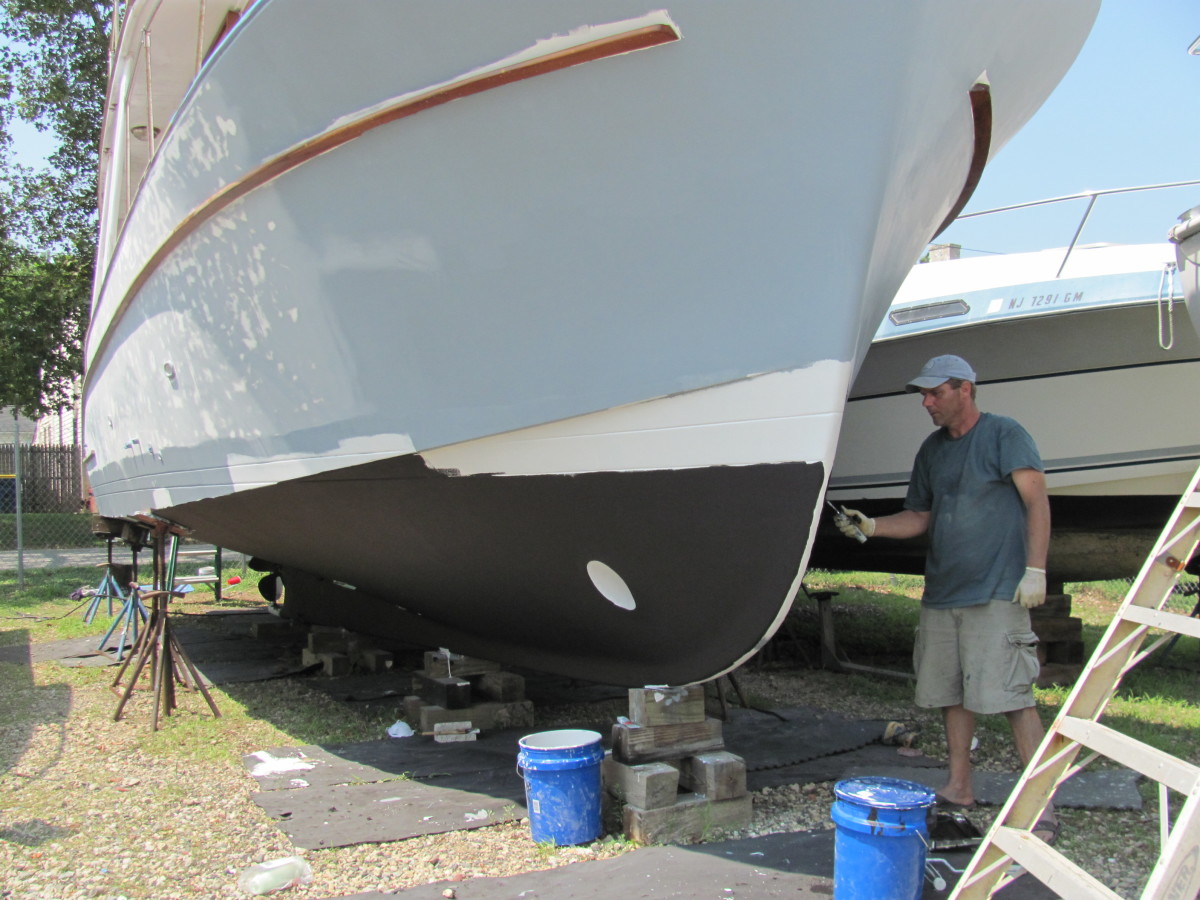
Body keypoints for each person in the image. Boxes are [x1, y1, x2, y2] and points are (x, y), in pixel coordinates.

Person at [833, 353, 1057, 843]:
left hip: (998, 590)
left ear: (965, 390)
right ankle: (959, 786)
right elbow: (919, 517)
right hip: (943, 593)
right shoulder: (932, 450)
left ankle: (1041, 807)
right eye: (923, 395)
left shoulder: (1004, 434)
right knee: (950, 695)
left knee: (1014, 697)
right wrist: (872, 527)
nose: (926, 402)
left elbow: (1036, 501)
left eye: (935, 393)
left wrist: (1036, 570)